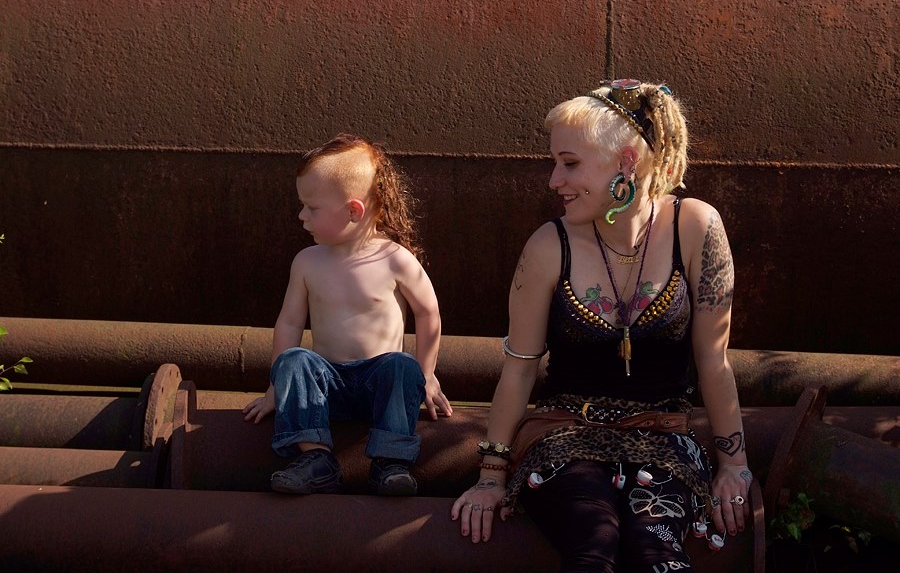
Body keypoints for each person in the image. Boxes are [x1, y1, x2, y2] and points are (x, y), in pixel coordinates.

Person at [451, 80, 751, 571]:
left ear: (626, 161)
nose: (555, 180)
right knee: (594, 543)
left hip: (664, 438)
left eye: (570, 163)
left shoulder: (696, 227)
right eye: (555, 163)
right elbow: (519, 370)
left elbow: (713, 361)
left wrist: (734, 465)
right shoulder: (547, 246)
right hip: (563, 435)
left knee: (657, 552)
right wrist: (490, 477)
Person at [243, 133, 452, 497]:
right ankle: (317, 459)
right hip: (326, 387)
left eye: (312, 208)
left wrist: (428, 375)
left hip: (378, 387)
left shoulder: (395, 259)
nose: (301, 215)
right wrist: (276, 388)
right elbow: (290, 323)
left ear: (354, 210)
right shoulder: (307, 262)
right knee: (294, 360)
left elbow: (428, 313)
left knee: (402, 366)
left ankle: (390, 465)